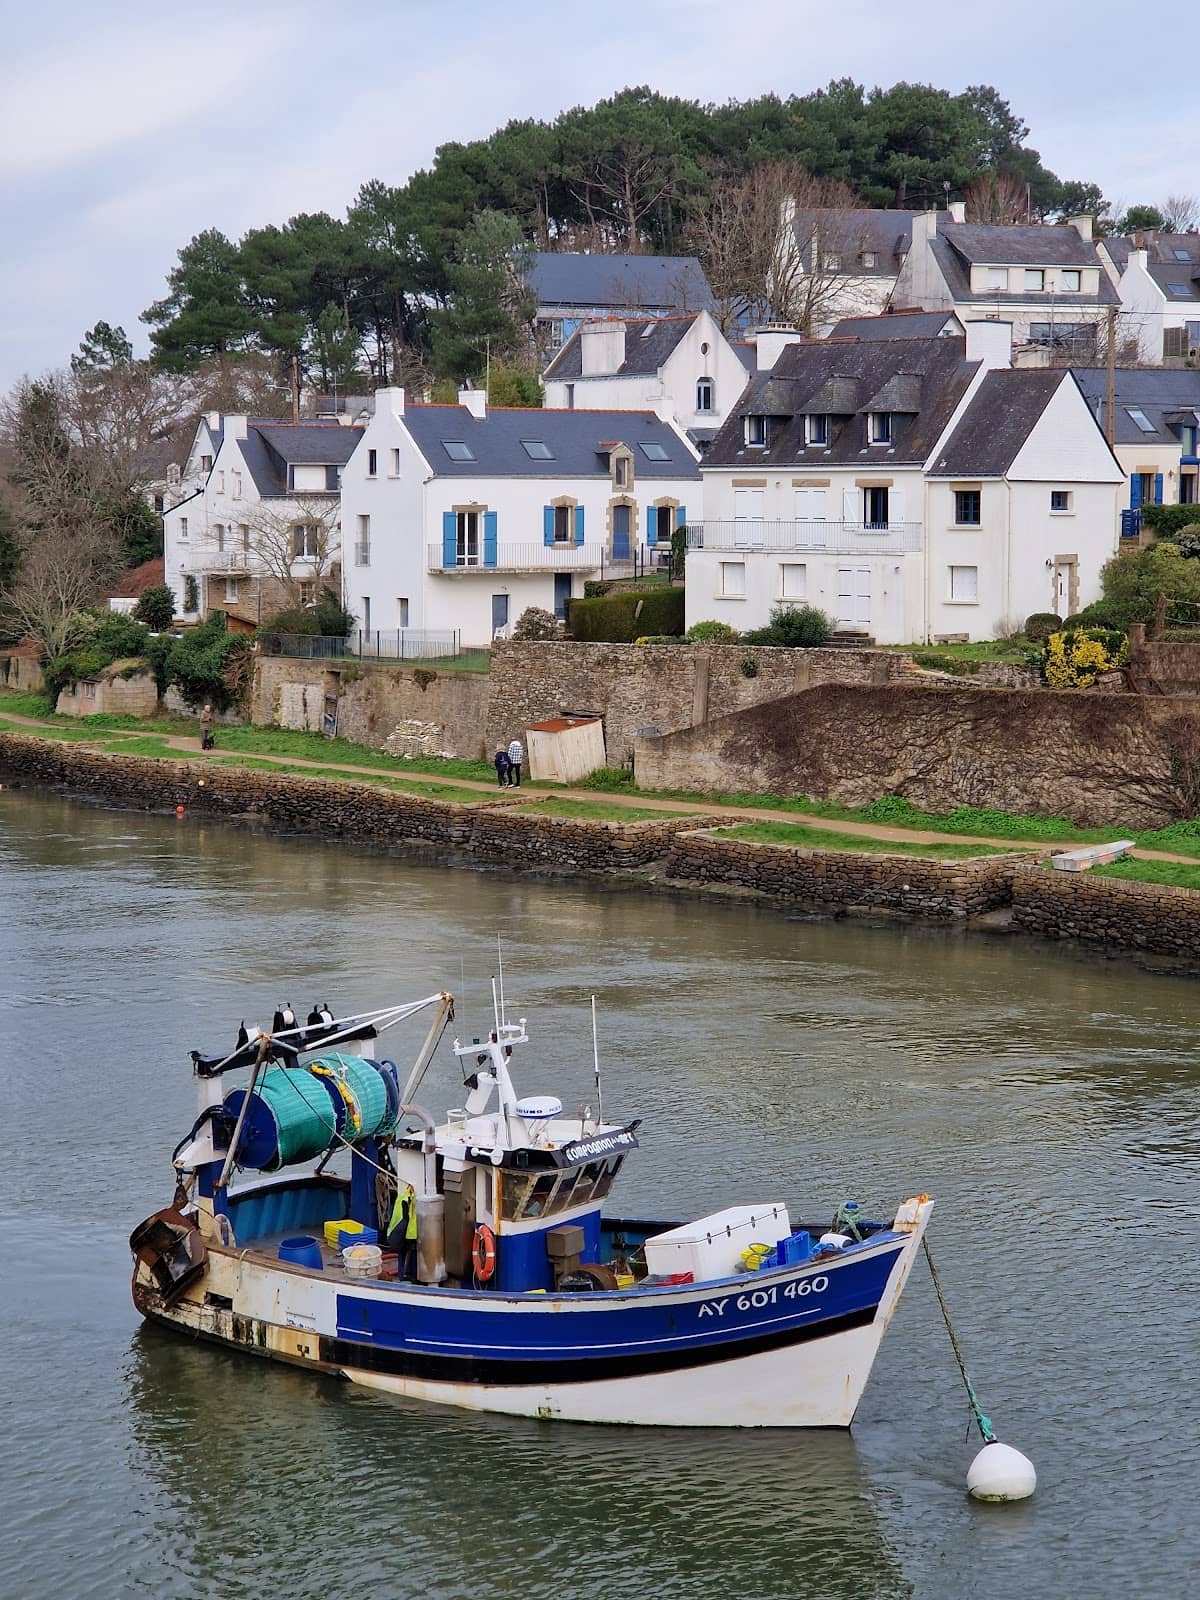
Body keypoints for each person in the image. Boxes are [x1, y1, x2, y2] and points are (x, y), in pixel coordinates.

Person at [387, 1180, 418, 1280]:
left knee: (405, 1257)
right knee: (408, 1258)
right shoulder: (407, 1201)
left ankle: (405, 1277)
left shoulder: (401, 1199)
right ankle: (408, 1277)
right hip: (408, 1237)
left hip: (402, 1235)